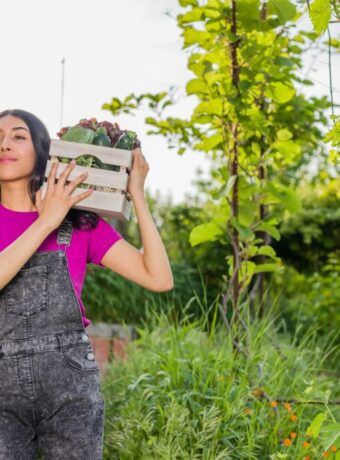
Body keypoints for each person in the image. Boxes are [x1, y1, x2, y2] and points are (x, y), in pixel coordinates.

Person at [0, 109, 173, 459]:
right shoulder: (50, 221)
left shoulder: (80, 224)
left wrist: (136, 194)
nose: (4, 144)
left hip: (71, 391)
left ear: (43, 151)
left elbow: (159, 278)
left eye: (18, 136)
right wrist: (45, 222)